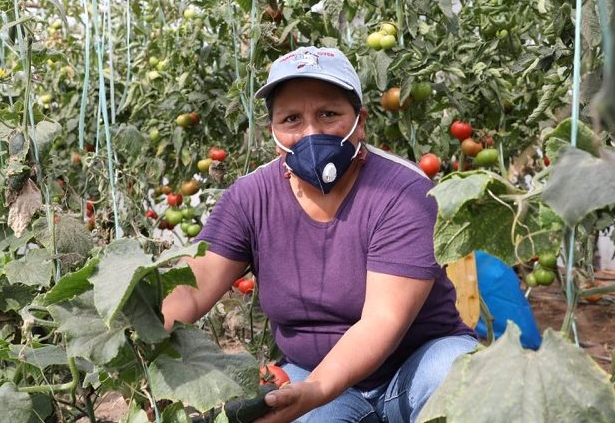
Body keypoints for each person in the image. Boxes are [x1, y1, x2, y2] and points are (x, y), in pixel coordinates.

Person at [162, 46, 478, 423]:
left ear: (359, 121)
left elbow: (382, 320)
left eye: (328, 114)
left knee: (457, 374)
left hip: (411, 369)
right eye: (292, 119)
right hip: (311, 372)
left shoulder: (403, 191)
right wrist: (137, 326)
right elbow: (191, 286)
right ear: (273, 131)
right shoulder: (250, 197)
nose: (311, 133)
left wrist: (315, 391)